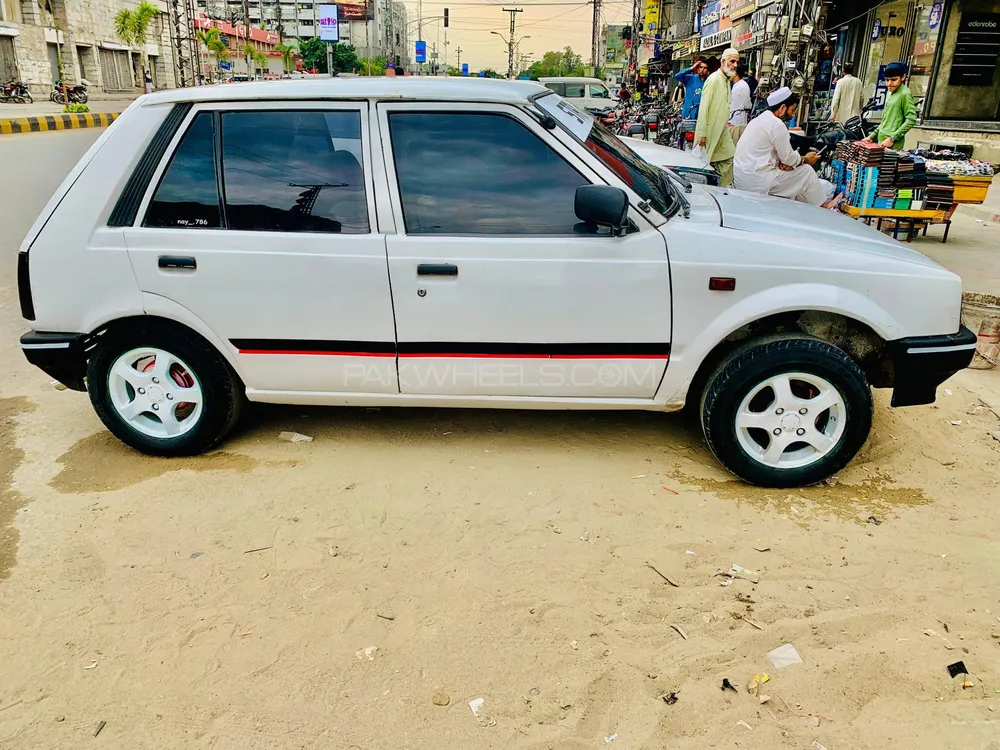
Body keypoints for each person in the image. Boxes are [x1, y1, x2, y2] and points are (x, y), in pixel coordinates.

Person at [734, 87, 840, 207]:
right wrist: (805, 159)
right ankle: (824, 206)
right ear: (783, 108)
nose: (793, 115)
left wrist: (787, 163)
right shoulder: (776, 124)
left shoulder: (758, 120)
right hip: (757, 181)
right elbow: (789, 158)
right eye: (793, 110)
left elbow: (778, 157)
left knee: (795, 176)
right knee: (807, 172)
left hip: (743, 178)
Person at [695, 48, 739, 186]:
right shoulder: (713, 79)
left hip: (722, 130)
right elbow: (704, 108)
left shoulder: (726, 80)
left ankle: (720, 187)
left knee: (730, 157)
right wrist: (702, 133)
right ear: (723, 61)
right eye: (732, 61)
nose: (735, 65)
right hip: (709, 131)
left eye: (737, 62)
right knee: (701, 166)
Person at [864, 61, 917, 148]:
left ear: (903, 77)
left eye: (893, 80)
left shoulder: (905, 94)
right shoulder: (889, 93)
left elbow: (911, 119)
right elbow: (885, 121)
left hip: (893, 144)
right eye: (887, 80)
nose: (889, 83)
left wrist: (892, 138)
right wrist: (872, 136)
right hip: (881, 141)